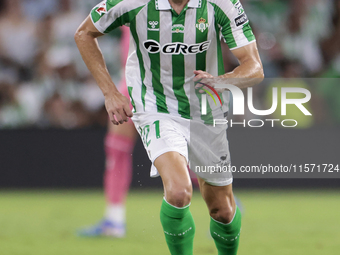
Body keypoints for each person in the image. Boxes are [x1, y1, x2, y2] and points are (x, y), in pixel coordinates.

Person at [75, 0, 263, 254]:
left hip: (205, 111)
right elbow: (84, 33)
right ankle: (114, 217)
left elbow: (255, 68)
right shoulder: (133, 3)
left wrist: (221, 81)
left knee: (223, 211)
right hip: (155, 105)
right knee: (178, 191)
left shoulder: (221, 4)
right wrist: (110, 92)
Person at [78, 25, 138, 237]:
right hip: (130, 84)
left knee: (181, 158)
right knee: (117, 150)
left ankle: (224, 202)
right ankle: (114, 220)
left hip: (160, 87)